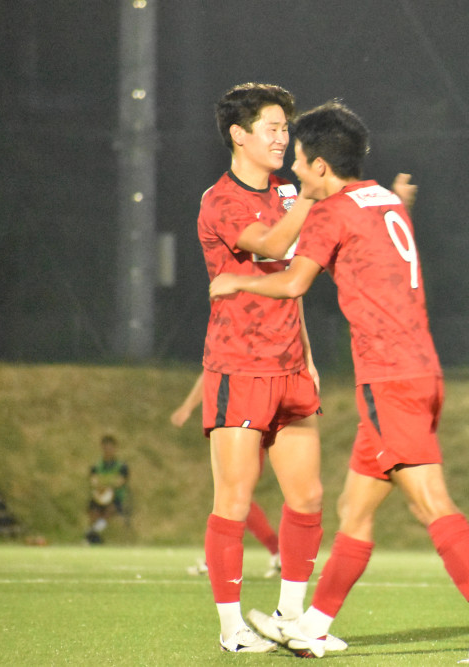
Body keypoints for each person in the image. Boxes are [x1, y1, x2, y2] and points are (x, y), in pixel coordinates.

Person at [210, 100, 469, 664]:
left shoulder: (332, 212)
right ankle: (312, 628)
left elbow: (292, 283)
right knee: (355, 510)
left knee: (431, 502)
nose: (294, 170)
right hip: (420, 370)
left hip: (390, 377)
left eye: (300, 160)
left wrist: (236, 282)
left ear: (321, 166)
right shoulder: (384, 199)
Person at [197, 82, 327, 654]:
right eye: (272, 128)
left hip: (290, 365)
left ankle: (290, 619)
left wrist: (310, 357)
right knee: (233, 499)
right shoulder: (220, 200)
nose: (282, 138)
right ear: (238, 134)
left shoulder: (288, 192)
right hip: (239, 367)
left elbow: (293, 282)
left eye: (285, 128)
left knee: (308, 496)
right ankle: (232, 631)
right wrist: (312, 200)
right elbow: (273, 244)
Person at [170, 372, 281, 579]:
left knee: (234, 497)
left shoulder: (239, 357)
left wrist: (187, 407)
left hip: (242, 424)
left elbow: (211, 372)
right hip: (241, 424)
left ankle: (218, 559)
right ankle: (219, 558)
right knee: (235, 498)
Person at [85, 434, 129, 544]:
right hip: (99, 495)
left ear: (115, 448)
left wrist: (108, 485)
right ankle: (94, 537)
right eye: (105, 447)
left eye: (110, 447)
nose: (108, 450)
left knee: (110, 510)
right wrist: (100, 487)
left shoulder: (121, 466)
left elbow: (121, 481)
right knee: (93, 512)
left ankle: (92, 533)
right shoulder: (96, 465)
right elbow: (93, 480)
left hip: (115, 497)